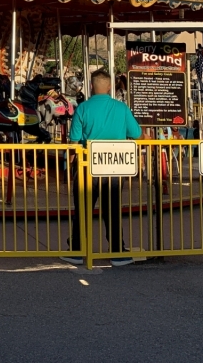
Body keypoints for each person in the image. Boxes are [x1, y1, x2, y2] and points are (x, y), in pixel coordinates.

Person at [64, 70, 142, 266]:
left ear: (91, 86)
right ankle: (117, 252)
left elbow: (74, 142)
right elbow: (137, 134)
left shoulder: (82, 108)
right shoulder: (121, 108)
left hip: (87, 165)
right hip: (114, 166)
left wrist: (69, 168)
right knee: (113, 209)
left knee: (82, 208)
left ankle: (76, 249)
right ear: (109, 88)